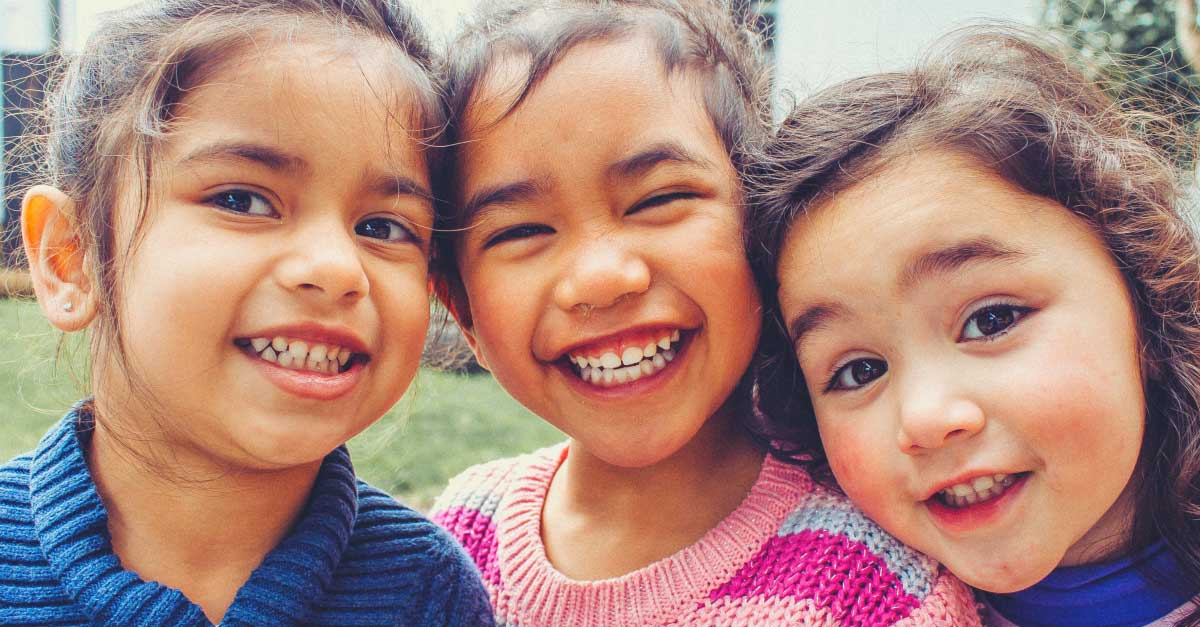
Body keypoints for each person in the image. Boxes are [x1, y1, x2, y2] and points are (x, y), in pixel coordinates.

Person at [428, 1, 980, 624]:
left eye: (661, 198)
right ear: (462, 310)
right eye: (520, 231)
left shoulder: (876, 589)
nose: (602, 280)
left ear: (761, 226)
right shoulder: (452, 540)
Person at [0, 1, 492, 625]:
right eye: (243, 199)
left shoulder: (429, 592)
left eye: (383, 226)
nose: (336, 267)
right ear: (71, 258)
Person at [747, 27, 1200, 627]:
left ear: (1146, 297)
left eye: (991, 321)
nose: (927, 419)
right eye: (860, 371)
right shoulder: (833, 602)